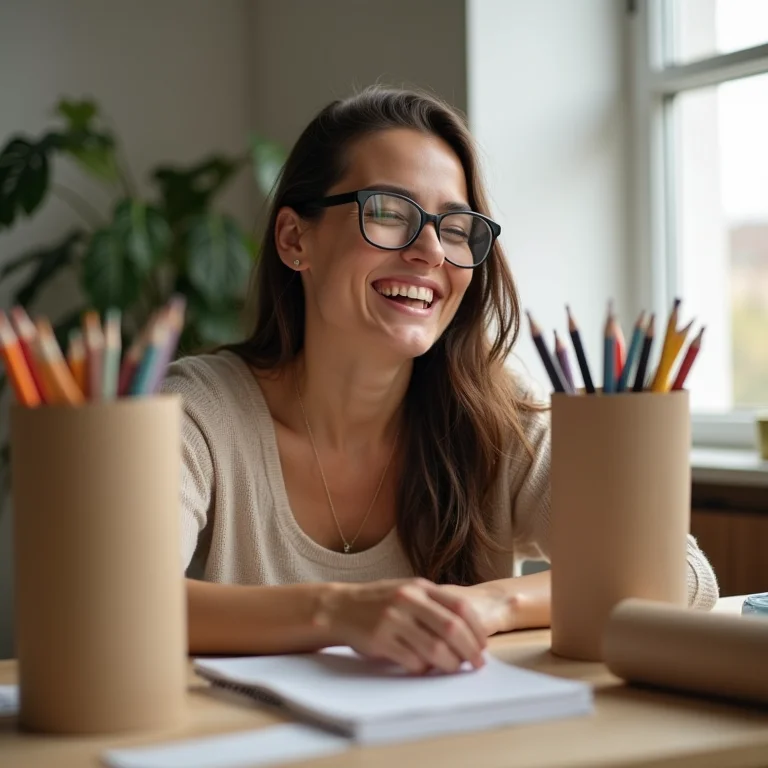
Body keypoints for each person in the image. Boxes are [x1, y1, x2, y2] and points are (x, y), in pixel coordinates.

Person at [162, 86, 719, 674]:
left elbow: (679, 576)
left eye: (455, 227)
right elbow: (119, 598)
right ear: (295, 240)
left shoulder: (495, 410)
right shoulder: (199, 411)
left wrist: (493, 603)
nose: (430, 251)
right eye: (386, 212)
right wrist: (339, 612)